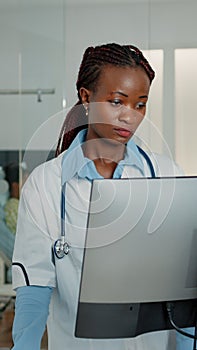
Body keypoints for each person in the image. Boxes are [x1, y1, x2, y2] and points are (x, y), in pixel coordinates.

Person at [11, 43, 195, 349]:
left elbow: (187, 289)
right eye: (116, 102)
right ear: (86, 98)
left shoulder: (169, 176)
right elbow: (34, 287)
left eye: (140, 105)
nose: (129, 117)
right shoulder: (47, 183)